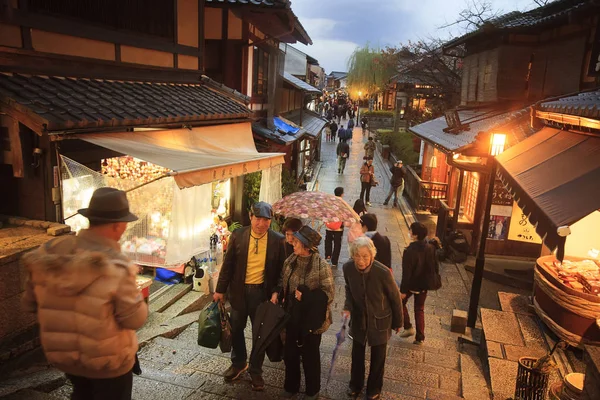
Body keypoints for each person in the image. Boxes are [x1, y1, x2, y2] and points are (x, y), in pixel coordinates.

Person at [21, 187, 148, 400]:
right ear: (118, 225)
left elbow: (30, 303)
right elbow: (134, 319)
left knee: (82, 392)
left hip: (66, 358)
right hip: (109, 362)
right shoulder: (116, 266)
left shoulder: (50, 253)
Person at [214, 202, 286, 391]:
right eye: (258, 219)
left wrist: (277, 291)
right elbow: (228, 265)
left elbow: (282, 271)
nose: (261, 224)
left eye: (266, 220)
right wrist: (220, 290)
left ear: (271, 221)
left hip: (262, 295)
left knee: (260, 334)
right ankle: (239, 362)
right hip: (239, 291)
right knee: (236, 328)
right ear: (250, 217)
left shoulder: (278, 240)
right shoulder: (238, 236)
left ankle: (256, 370)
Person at [274, 226, 334, 400]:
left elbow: (328, 294)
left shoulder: (320, 265)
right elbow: (281, 280)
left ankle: (312, 390)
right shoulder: (290, 260)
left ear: (307, 247)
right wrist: (278, 292)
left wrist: (306, 296)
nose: (293, 242)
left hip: (311, 321)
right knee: (290, 354)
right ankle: (291, 386)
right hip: (291, 317)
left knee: (310, 356)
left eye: (297, 241)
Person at [343, 237, 403, 400]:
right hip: (359, 319)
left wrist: (398, 322)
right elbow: (348, 289)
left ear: (372, 256)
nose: (361, 260)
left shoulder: (383, 272)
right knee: (357, 355)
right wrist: (347, 307)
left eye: (365, 256)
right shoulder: (348, 268)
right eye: (357, 255)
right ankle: (355, 385)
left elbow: (395, 297)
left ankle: (374, 389)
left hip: (380, 320)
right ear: (352, 255)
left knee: (378, 357)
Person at [399, 222, 438, 345]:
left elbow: (406, 274)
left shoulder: (409, 251)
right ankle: (420, 337)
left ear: (415, 235)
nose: (409, 232)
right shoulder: (430, 248)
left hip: (412, 284)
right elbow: (434, 267)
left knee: (400, 302)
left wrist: (403, 291)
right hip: (424, 284)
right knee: (419, 309)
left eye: (410, 230)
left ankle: (408, 326)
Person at [325, 186, 345, 267]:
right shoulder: (343, 203)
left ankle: (328, 255)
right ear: (342, 194)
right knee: (337, 244)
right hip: (338, 228)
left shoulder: (330, 202)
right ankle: (334, 261)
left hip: (329, 226)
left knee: (328, 241)